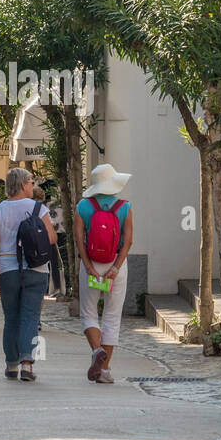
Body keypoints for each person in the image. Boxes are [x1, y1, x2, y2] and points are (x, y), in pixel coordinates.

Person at [0, 167, 56, 382]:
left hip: (8, 269)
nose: (33, 186)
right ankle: (27, 365)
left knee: (11, 318)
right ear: (23, 184)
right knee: (30, 317)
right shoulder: (38, 208)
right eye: (31, 182)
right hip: (35, 268)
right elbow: (52, 238)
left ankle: (11, 365)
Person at [74, 163, 133, 385]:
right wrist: (115, 267)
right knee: (112, 316)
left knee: (88, 312)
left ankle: (96, 350)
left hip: (91, 265)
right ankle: (105, 369)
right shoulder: (124, 207)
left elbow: (79, 239)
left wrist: (88, 266)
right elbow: (128, 241)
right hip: (114, 266)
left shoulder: (83, 206)